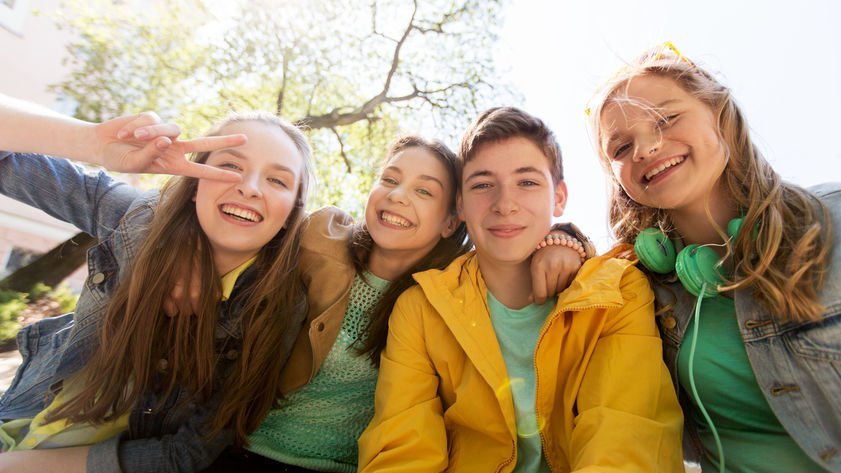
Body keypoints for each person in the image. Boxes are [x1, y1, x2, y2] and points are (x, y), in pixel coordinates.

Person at [358, 106, 683, 472]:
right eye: (482, 185)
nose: (504, 205)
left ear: (559, 198)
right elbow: (402, 449)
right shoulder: (421, 308)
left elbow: (624, 437)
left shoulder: (617, 291)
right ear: (461, 205)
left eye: (527, 182)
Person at [0, 101, 315, 473]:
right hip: (16, 422)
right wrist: (93, 143)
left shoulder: (277, 304)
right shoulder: (137, 220)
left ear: (292, 213)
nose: (248, 188)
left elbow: (186, 453)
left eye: (277, 180)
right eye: (230, 165)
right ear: (195, 185)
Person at [586, 43, 840, 472]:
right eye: (620, 148)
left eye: (666, 119)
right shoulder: (640, 287)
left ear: (720, 115)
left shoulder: (833, 218)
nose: (645, 149)